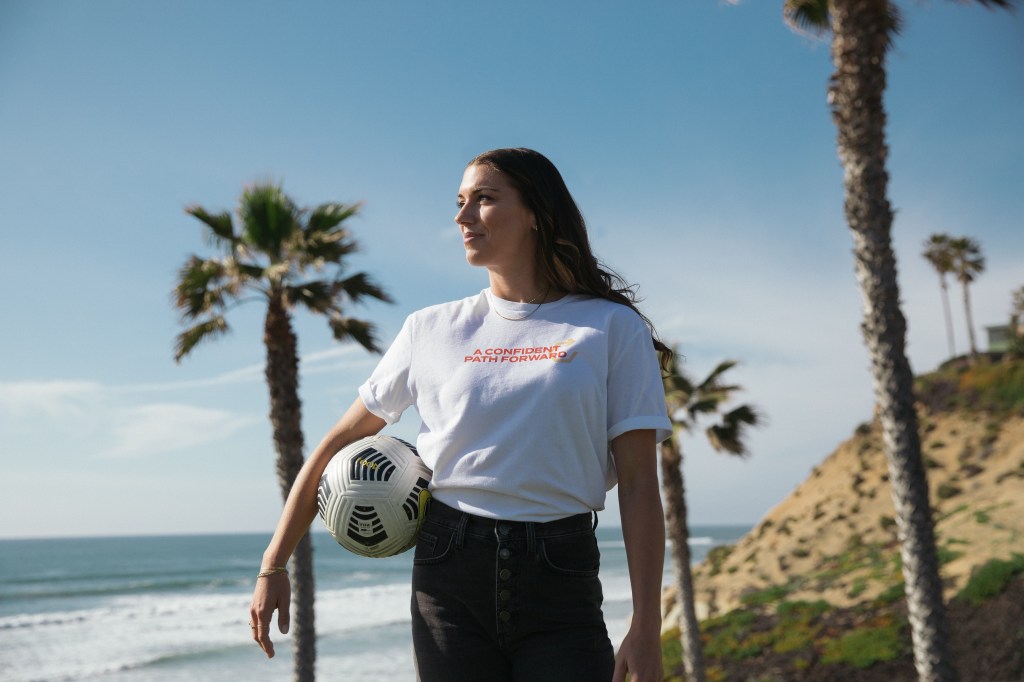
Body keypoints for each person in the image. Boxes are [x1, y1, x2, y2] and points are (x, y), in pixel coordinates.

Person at [249, 148, 673, 682]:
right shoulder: (431, 329)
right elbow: (337, 441)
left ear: (537, 214)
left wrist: (646, 624)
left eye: (484, 199)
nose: (462, 216)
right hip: (448, 571)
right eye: (459, 201)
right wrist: (273, 563)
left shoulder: (611, 328)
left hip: (559, 575)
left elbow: (638, 484)